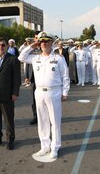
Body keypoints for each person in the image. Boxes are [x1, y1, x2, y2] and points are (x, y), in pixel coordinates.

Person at [18, 31, 70, 159]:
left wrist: (65, 92)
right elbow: (21, 57)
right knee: (42, 121)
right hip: (39, 92)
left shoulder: (58, 58)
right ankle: (44, 146)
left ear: (52, 43)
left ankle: (55, 147)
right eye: (42, 42)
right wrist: (32, 45)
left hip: (54, 92)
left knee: (55, 121)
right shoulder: (36, 58)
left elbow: (65, 76)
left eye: (47, 42)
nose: (44, 44)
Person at [25, 31, 41, 125]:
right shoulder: (31, 49)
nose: (37, 40)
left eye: (38, 38)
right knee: (34, 99)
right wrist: (27, 76)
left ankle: (45, 117)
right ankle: (35, 116)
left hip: (42, 78)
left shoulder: (46, 48)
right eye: (36, 38)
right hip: (33, 78)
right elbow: (27, 63)